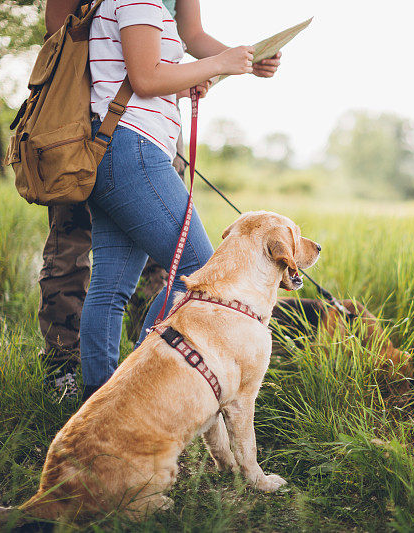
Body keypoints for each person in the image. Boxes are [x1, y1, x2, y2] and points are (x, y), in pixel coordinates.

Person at [40, 0, 280, 401]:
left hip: (115, 149)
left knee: (110, 287)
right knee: (199, 272)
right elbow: (147, 78)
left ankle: (99, 401)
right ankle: (134, 391)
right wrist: (218, 62)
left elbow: (139, 74)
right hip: (133, 150)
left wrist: (190, 79)